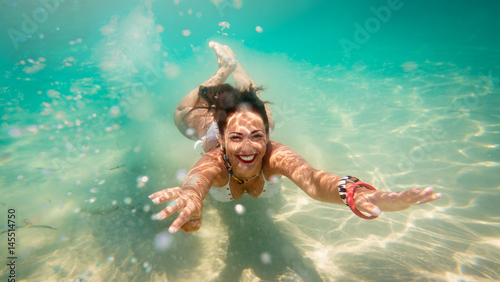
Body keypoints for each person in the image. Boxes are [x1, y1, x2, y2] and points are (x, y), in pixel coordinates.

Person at [148, 41, 442, 234]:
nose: (249, 149)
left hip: (250, 123)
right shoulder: (215, 157)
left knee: (251, 99)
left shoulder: (273, 152)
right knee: (184, 111)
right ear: (223, 140)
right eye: (236, 138)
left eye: (257, 136)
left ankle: (239, 70)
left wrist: (356, 194)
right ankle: (223, 71)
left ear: (266, 135)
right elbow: (198, 179)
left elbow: (313, 180)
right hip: (211, 125)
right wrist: (191, 196)